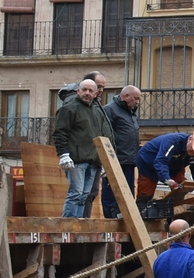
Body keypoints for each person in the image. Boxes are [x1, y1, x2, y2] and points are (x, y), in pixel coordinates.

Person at [52, 79, 115, 218]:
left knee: (84, 196)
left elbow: (102, 135)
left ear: (96, 93)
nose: (87, 93)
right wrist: (63, 154)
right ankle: (68, 226)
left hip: (93, 161)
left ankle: (79, 225)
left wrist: (104, 160)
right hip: (76, 159)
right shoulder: (69, 108)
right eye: (84, 89)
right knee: (76, 193)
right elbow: (60, 133)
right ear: (78, 91)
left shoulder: (97, 111)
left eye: (90, 91)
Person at [135, 129, 194, 210]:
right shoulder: (172, 142)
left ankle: (176, 212)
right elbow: (161, 161)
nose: (193, 152)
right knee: (145, 193)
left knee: (180, 188)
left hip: (174, 165)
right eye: (193, 148)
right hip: (148, 163)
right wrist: (166, 179)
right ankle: (141, 211)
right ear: (190, 139)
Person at [101, 85, 141, 218]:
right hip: (115, 159)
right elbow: (104, 134)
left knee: (128, 192)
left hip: (129, 160)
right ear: (125, 96)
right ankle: (111, 217)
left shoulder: (130, 113)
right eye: (135, 98)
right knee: (112, 192)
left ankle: (124, 217)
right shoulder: (110, 109)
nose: (137, 102)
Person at [80, 71, 108, 218]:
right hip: (83, 156)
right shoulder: (80, 104)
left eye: (102, 87)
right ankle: (79, 222)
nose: (101, 90)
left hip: (96, 157)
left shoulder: (97, 106)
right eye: (98, 86)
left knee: (92, 192)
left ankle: (85, 220)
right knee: (80, 193)